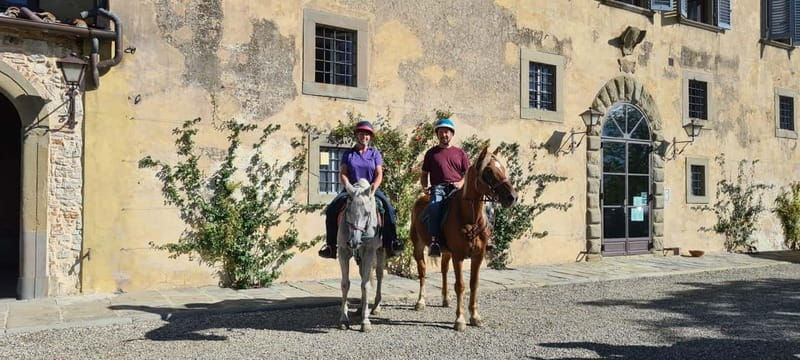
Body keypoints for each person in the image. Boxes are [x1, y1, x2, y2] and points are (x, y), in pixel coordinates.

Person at [318, 121, 401, 259]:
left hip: (369, 189)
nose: (364, 136)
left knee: (389, 209)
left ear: (370, 137)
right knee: (332, 209)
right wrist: (348, 187)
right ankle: (331, 246)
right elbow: (343, 173)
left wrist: (374, 187)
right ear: (357, 135)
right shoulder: (349, 154)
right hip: (352, 189)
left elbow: (379, 173)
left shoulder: (375, 154)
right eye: (361, 133)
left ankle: (391, 243)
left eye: (367, 134)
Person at [419, 118, 470, 257]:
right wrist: (425, 187)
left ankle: (486, 237)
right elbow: (424, 175)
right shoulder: (431, 153)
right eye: (441, 132)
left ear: (452, 134)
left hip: (458, 188)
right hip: (439, 188)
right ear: (437, 135)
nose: (444, 135)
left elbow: (468, 174)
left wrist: (460, 183)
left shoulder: (460, 153)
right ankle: (435, 242)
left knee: (478, 204)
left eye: (447, 132)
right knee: (434, 206)